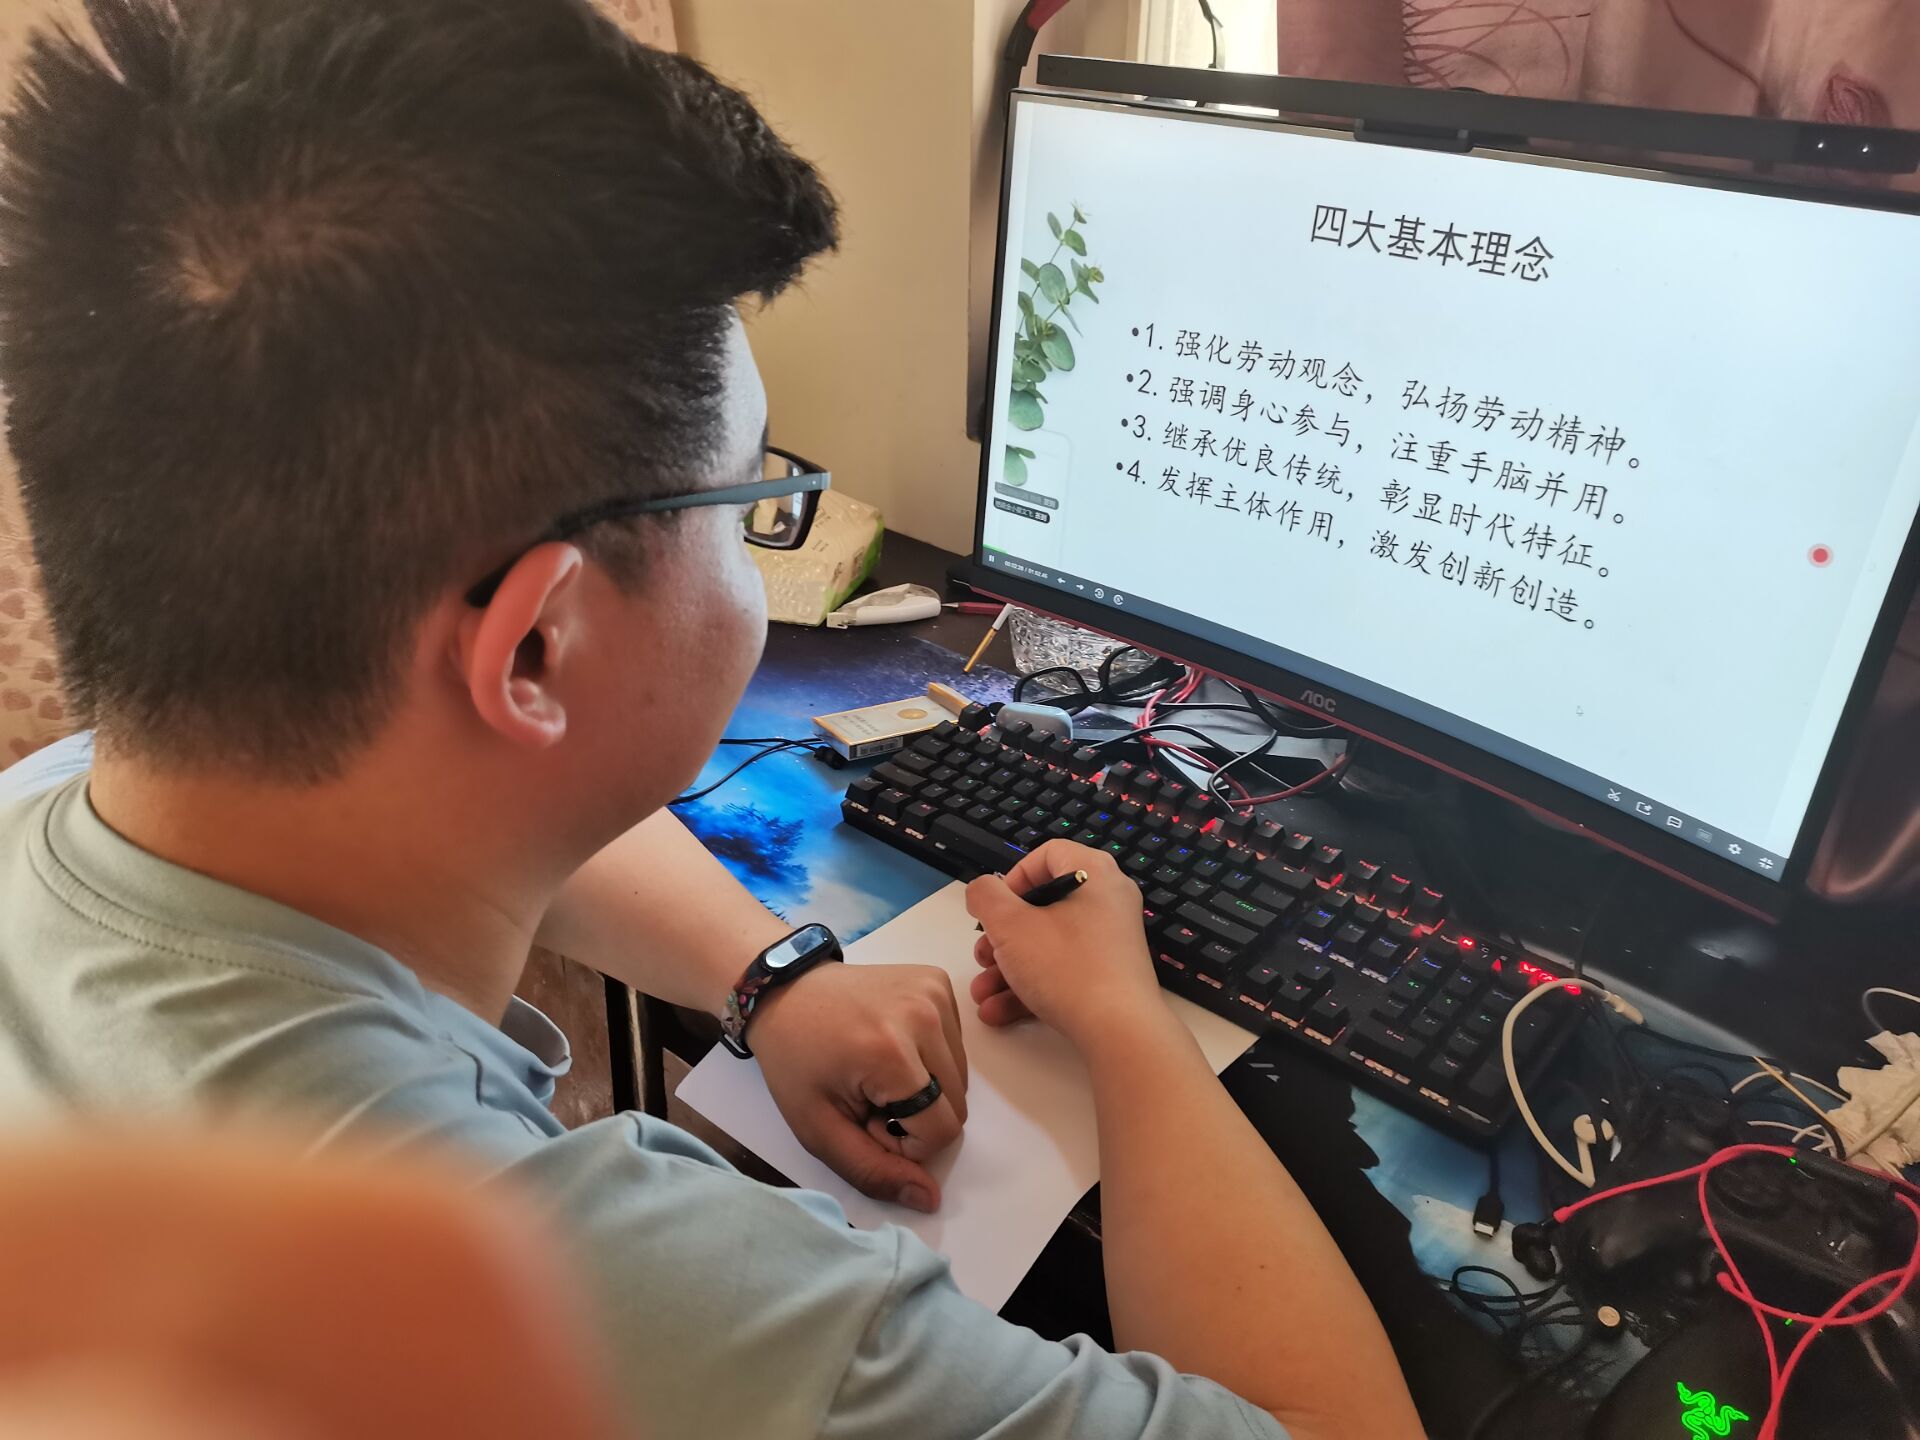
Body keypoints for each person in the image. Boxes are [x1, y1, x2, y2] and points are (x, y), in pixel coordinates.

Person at [0, 1, 1422, 1436]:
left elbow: (465, 807)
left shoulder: (92, 804)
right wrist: (1125, 1021)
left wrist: (771, 976)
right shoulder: (588, 1296)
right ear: (534, 646)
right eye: (753, 501)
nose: (760, 550)